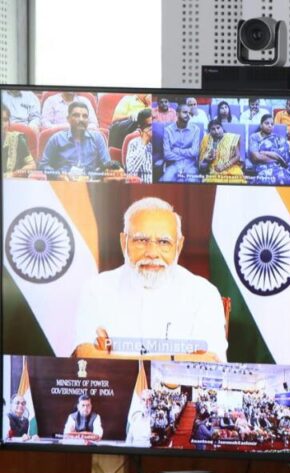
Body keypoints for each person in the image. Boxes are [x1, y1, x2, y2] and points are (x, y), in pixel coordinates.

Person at [72, 197, 229, 361]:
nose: (152, 253)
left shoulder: (203, 293)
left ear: (179, 245)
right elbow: (85, 357)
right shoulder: (96, 289)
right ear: (123, 242)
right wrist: (179, 359)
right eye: (141, 240)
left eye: (164, 242)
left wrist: (114, 360)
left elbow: (211, 362)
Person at [38, 101, 115, 177]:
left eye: (85, 116)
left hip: (90, 182)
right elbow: (43, 166)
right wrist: (58, 175)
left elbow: (107, 165)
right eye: (76, 115)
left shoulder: (97, 138)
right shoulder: (57, 139)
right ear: (68, 119)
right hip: (64, 182)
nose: (81, 119)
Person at [248, 114, 290, 185]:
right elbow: (256, 157)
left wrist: (266, 153)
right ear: (261, 125)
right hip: (264, 165)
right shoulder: (254, 137)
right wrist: (277, 158)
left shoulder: (277, 137)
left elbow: (285, 153)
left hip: (281, 165)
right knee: (277, 178)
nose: (270, 126)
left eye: (272, 124)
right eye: (267, 123)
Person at [161, 102, 201, 182]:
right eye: (185, 112)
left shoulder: (196, 129)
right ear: (177, 114)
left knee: (192, 183)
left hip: (190, 165)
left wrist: (176, 150)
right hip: (174, 164)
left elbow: (194, 152)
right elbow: (167, 155)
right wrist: (187, 155)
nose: (188, 115)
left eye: (189, 113)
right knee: (166, 180)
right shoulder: (168, 130)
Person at [199, 119, 246, 184]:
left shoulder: (231, 138)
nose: (216, 131)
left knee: (237, 180)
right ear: (209, 131)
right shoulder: (206, 140)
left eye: (218, 128)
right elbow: (202, 163)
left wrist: (224, 166)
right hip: (215, 169)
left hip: (231, 167)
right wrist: (206, 159)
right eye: (213, 129)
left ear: (222, 128)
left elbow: (237, 156)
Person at [2, 103, 36, 176]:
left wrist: (15, 174)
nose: (2, 124)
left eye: (5, 120)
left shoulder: (17, 139)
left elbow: (32, 166)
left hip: (11, 181)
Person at [124, 109, 154, 182]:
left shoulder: (163, 141)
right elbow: (131, 172)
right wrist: (144, 142)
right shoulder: (134, 143)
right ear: (141, 128)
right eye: (149, 125)